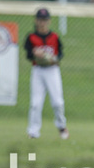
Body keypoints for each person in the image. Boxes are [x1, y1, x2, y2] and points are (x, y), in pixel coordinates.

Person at [25, 7, 68, 139]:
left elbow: (60, 53)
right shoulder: (31, 37)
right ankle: (33, 132)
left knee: (57, 102)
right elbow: (28, 55)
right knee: (35, 103)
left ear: (48, 21)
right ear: (36, 21)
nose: (42, 22)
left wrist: (54, 59)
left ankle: (61, 126)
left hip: (52, 71)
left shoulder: (54, 36)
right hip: (38, 71)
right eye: (40, 19)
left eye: (44, 19)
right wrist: (34, 54)